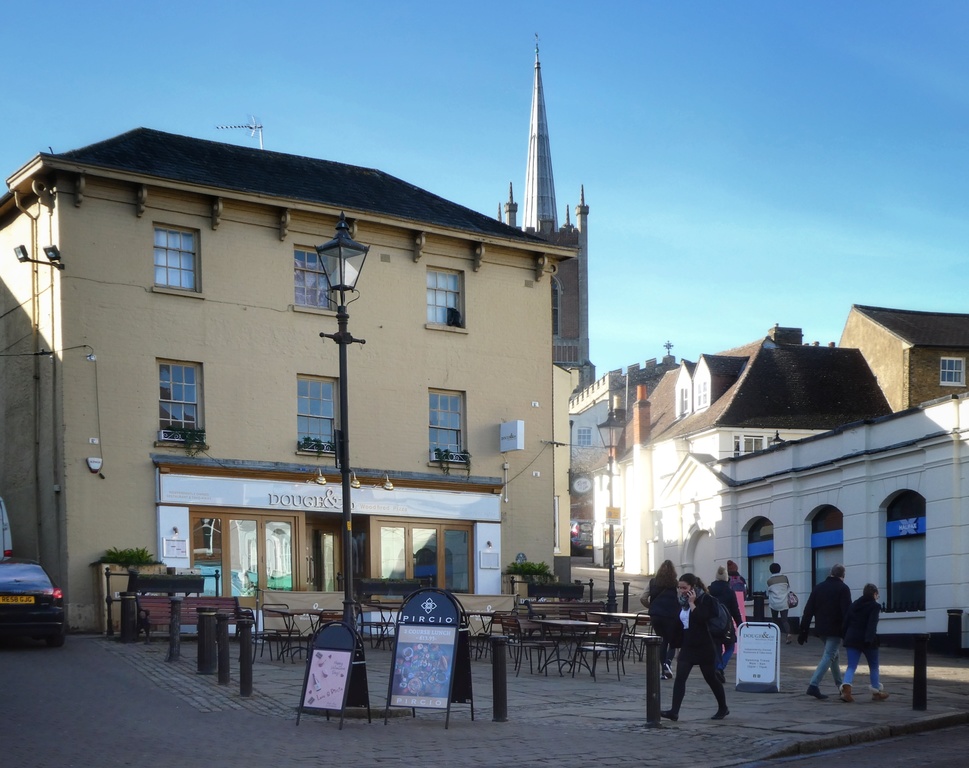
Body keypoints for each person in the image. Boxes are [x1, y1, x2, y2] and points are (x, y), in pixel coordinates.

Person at [661, 573, 730, 721]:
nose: (681, 591)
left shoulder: (706, 599)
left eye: (684, 588)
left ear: (693, 587)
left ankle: (723, 707)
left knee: (711, 678)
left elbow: (701, 618)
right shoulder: (682, 602)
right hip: (688, 646)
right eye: (679, 588)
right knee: (680, 678)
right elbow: (682, 625)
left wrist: (693, 603)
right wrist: (676, 644)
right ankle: (674, 712)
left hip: (704, 645)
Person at [797, 563, 852, 699]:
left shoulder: (819, 587)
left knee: (834, 656)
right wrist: (849, 631)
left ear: (831, 573)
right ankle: (813, 685)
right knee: (829, 655)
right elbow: (847, 612)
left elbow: (808, 610)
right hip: (835, 629)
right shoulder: (843, 588)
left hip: (821, 629)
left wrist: (803, 630)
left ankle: (840, 686)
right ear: (843, 575)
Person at [840, 583, 889, 702]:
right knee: (874, 666)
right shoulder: (875, 606)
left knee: (851, 666)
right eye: (877, 595)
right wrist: (869, 640)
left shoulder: (854, 605)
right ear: (874, 594)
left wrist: (844, 636)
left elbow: (846, 621)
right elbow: (872, 624)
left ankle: (846, 690)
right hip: (867, 640)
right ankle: (876, 692)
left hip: (852, 638)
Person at [647, 559, 681, 679]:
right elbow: (680, 599)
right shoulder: (675, 584)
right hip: (670, 616)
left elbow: (642, 597)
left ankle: (663, 669)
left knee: (662, 641)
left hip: (655, 615)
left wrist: (651, 607)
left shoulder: (653, 582)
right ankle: (667, 664)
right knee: (671, 641)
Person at [709, 565, 743, 682]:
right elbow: (735, 610)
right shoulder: (730, 592)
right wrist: (740, 624)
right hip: (727, 625)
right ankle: (720, 667)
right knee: (730, 646)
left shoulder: (709, 590)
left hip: (712, 624)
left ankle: (718, 670)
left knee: (717, 648)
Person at [766, 562, 792, 644]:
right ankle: (788, 634)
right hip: (784, 602)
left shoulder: (769, 581)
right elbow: (788, 588)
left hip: (774, 603)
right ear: (779, 569)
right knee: (784, 620)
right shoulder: (785, 578)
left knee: (775, 620)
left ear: (771, 570)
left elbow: (768, 592)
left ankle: (775, 636)